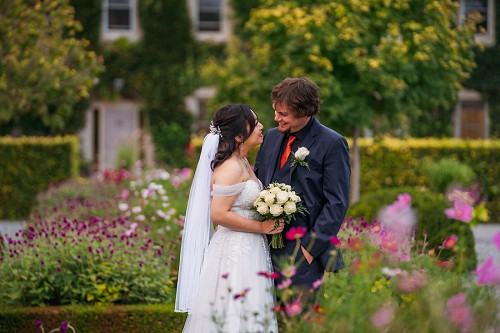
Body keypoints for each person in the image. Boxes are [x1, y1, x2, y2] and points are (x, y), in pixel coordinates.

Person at [175, 104, 283, 333]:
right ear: (239, 135)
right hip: (235, 253)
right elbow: (219, 214)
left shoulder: (242, 161)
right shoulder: (231, 167)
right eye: (255, 123)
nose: (262, 126)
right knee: (234, 313)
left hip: (249, 247)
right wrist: (262, 226)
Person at [254, 77, 351, 293]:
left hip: (303, 253)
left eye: (283, 114)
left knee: (299, 323)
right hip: (261, 249)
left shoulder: (332, 143)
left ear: (305, 111)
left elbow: (337, 202)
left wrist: (309, 249)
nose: (275, 117)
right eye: (275, 111)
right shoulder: (270, 137)